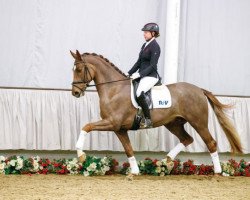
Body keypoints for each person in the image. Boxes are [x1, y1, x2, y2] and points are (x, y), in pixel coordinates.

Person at [127, 22, 161, 128]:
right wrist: (128, 73)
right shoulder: (144, 45)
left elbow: (152, 66)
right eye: (144, 32)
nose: (144, 34)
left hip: (151, 76)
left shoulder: (155, 47)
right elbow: (138, 62)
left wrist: (139, 74)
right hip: (142, 75)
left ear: (153, 33)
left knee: (139, 93)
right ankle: (138, 113)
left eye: (146, 32)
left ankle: (148, 120)